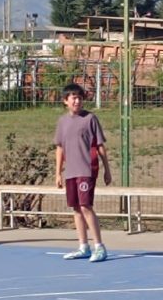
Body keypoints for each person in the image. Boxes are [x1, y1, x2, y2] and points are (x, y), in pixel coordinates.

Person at [54, 83, 112, 262]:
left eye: (79, 98)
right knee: (76, 209)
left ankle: (99, 246)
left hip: (87, 170)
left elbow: (100, 146)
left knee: (86, 206)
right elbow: (59, 148)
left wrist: (107, 170)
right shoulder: (62, 122)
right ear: (66, 101)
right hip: (70, 172)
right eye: (73, 98)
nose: (77, 101)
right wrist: (58, 173)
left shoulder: (90, 119)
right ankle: (83, 246)